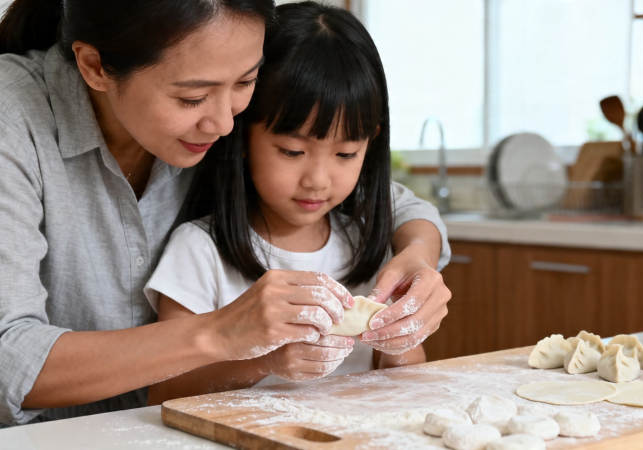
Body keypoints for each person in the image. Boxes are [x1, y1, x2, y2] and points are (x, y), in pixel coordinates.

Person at [0, 0, 451, 426]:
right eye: (191, 98)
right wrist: (221, 334)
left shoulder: (217, 120)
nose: (224, 124)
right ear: (95, 66)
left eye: (246, 82)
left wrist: (419, 252)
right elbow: (9, 358)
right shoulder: (13, 116)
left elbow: (387, 199)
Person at [145, 2, 435, 403]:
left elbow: (409, 385)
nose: (317, 179)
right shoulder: (200, 250)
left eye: (346, 154)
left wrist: (398, 339)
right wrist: (264, 361)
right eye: (292, 152)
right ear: (243, 136)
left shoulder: (371, 246)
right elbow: (164, 389)